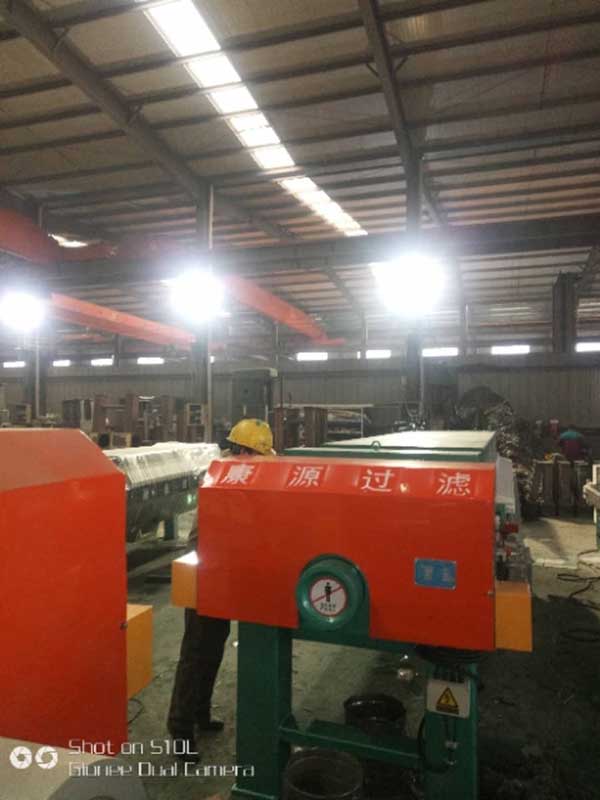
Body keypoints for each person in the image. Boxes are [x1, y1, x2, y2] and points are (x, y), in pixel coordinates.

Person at [167, 418, 274, 759]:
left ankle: (201, 712)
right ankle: (180, 729)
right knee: (196, 651)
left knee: (214, 646)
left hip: (227, 572)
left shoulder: (243, 475)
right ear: (243, 451)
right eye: (258, 456)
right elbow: (212, 532)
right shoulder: (218, 477)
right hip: (208, 571)